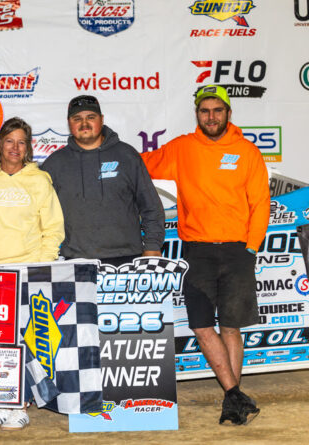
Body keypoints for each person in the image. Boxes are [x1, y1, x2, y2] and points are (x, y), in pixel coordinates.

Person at [141, 85, 269, 426]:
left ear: (228, 113)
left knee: (230, 327)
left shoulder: (247, 151)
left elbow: (260, 205)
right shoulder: (182, 148)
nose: (211, 116)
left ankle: (232, 398)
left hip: (237, 250)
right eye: (204, 111)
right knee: (200, 326)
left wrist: (252, 247)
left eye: (217, 110)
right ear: (197, 114)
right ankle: (234, 395)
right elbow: (140, 165)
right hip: (196, 250)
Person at [0, 117, 65, 430]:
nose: (15, 148)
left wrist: (42, 265)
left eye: (21, 142)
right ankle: (3, 403)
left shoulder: (39, 179)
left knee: (26, 342)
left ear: (28, 147)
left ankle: (21, 405)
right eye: (9, 141)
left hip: (29, 267)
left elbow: (53, 228)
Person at [41, 95, 164, 266]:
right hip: (75, 261)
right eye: (77, 118)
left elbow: (151, 206)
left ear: (102, 119)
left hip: (127, 258)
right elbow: (36, 212)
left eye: (91, 117)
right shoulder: (54, 163)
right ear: (69, 123)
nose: (84, 124)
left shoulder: (127, 155)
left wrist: (152, 245)